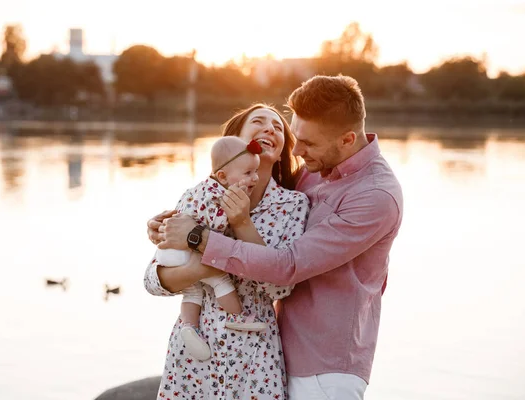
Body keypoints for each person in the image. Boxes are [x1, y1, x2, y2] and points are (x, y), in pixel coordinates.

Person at [149, 75, 404, 400]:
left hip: (325, 367)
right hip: (270, 352)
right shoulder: (312, 169)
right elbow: (156, 275)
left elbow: (288, 265)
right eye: (295, 137)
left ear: (347, 139)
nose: (298, 151)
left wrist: (198, 239)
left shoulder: (376, 196)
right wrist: (167, 232)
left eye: (308, 143)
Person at [144, 104, 310, 399]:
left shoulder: (293, 205)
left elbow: (279, 287)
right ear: (235, 140)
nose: (270, 128)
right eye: (258, 121)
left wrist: (242, 223)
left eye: (278, 126)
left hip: (254, 353)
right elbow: (153, 281)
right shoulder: (196, 196)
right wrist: (202, 268)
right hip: (195, 347)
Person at [153, 136, 267, 361]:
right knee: (220, 279)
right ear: (222, 176)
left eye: (256, 171)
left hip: (169, 252)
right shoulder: (220, 196)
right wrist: (236, 222)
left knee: (192, 290)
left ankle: (189, 326)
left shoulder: (196, 189)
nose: (255, 177)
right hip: (185, 248)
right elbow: (215, 230)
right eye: (248, 173)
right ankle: (236, 316)